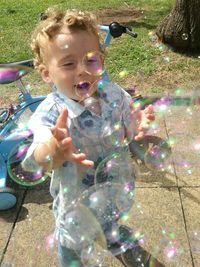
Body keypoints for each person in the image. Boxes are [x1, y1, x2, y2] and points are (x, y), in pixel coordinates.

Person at [22, 8, 154, 267]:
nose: (82, 70)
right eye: (69, 63)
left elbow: (128, 128)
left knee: (113, 230)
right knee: (74, 257)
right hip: (75, 215)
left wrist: (136, 126)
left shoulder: (113, 94)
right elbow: (35, 160)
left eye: (90, 60)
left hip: (112, 197)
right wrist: (53, 150)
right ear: (47, 73)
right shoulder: (51, 115)